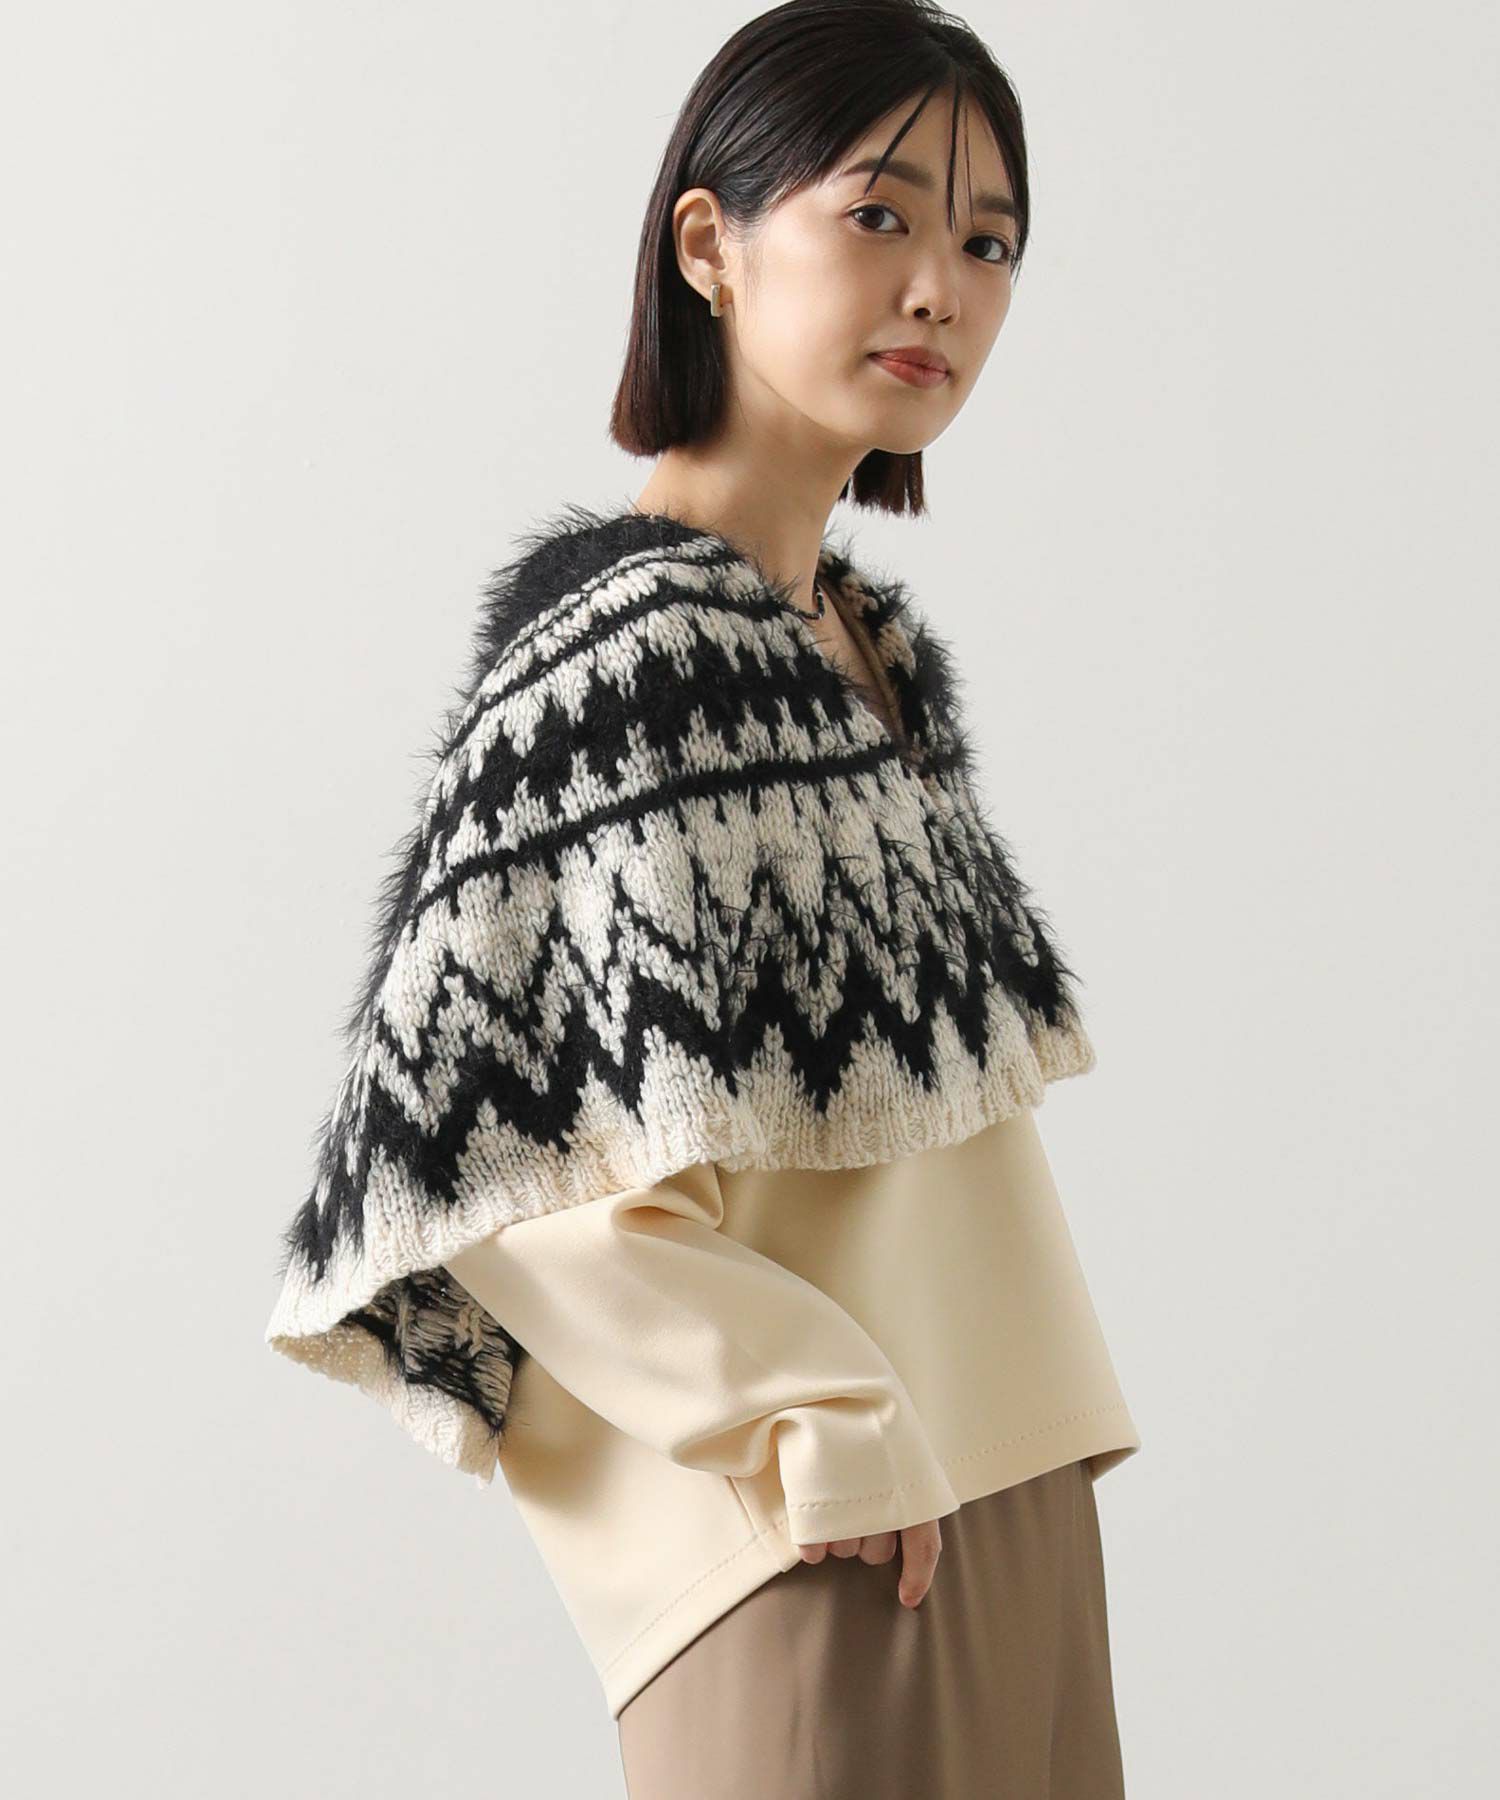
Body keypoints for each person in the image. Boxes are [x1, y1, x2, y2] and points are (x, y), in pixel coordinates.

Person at [266, 3, 1142, 1794]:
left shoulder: (859, 649)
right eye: (879, 215)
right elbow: (475, 1167)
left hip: (1005, 1493)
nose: (942, 288)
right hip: (817, 1543)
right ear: (707, 246)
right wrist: (808, 1410)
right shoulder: (624, 656)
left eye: (991, 243)